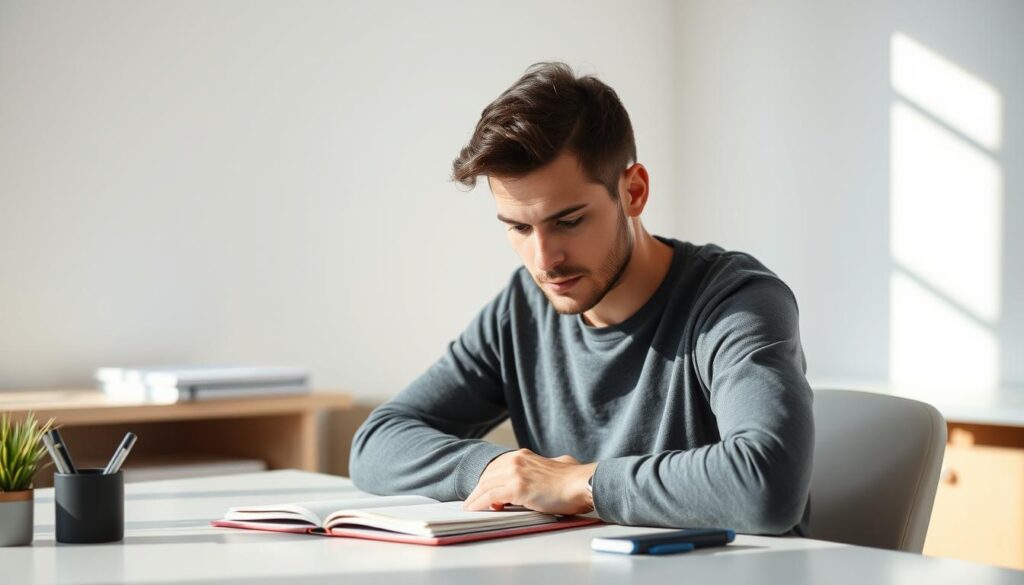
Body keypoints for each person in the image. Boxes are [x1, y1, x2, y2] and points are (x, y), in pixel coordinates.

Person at [349, 62, 814, 535]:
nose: (544, 259)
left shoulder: (736, 303)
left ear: (633, 192)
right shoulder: (522, 310)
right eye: (519, 227)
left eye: (568, 222)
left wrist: (580, 483)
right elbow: (376, 443)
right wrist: (499, 470)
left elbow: (767, 485)